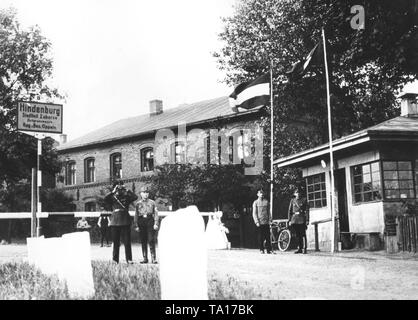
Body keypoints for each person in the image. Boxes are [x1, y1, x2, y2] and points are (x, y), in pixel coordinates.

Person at [104, 180, 138, 264]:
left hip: (125, 220)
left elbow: (135, 197)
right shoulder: (113, 197)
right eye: (117, 186)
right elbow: (105, 199)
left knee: (127, 242)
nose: (119, 188)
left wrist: (126, 190)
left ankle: (129, 259)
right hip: (115, 221)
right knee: (116, 242)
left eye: (121, 186)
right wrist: (113, 191)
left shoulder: (126, 196)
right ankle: (115, 260)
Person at [134, 186, 159, 264]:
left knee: (151, 240)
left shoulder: (152, 202)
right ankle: (145, 258)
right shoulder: (138, 204)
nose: (145, 194)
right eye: (144, 193)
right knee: (143, 240)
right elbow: (136, 215)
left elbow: (155, 213)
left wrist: (156, 223)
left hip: (150, 221)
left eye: (147, 193)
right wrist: (136, 225)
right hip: (141, 221)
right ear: (141, 194)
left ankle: (153, 258)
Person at [288, 189, 310, 254]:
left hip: (301, 219)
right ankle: (299, 248)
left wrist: (307, 220)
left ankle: (304, 248)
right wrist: (289, 220)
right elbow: (289, 211)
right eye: (296, 193)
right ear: (294, 194)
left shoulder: (304, 200)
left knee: (303, 234)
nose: (298, 194)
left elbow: (307, 210)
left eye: (299, 192)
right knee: (297, 235)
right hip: (294, 219)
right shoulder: (292, 201)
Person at [252, 189, 272, 254]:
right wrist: (256, 222)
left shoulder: (266, 202)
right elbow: (254, 213)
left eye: (262, 193)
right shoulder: (256, 202)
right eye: (260, 193)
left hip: (266, 221)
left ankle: (269, 249)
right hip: (260, 222)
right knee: (260, 237)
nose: (262, 194)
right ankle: (261, 249)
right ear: (257, 194)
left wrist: (269, 220)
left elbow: (269, 212)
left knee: (268, 236)